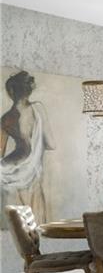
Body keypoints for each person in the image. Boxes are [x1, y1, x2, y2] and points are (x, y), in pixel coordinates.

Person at [1, 70, 55, 221]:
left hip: (8, 175)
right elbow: (51, 144)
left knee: (17, 229)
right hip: (32, 176)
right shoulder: (38, 109)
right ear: (29, 90)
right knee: (36, 227)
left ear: (11, 92)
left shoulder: (5, 118)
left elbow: (0, 151)